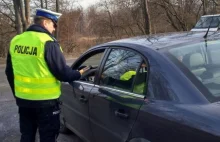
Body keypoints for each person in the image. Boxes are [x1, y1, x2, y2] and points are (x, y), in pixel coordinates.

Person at [5, 8, 87, 142]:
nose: (54, 28)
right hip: (46, 104)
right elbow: (63, 73)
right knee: (47, 137)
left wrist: (18, 94)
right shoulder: (48, 42)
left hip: (24, 102)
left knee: (27, 136)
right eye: (53, 24)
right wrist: (79, 73)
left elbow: (9, 72)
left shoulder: (16, 41)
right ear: (45, 23)